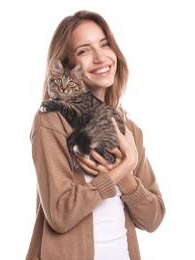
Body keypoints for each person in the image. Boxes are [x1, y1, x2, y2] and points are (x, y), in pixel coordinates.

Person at [26, 10, 166, 260]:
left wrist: (127, 181)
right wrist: (123, 168)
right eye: (84, 50)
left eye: (104, 44)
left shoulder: (130, 130)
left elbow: (153, 219)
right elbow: (60, 215)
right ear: (68, 69)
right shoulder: (51, 122)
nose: (101, 57)